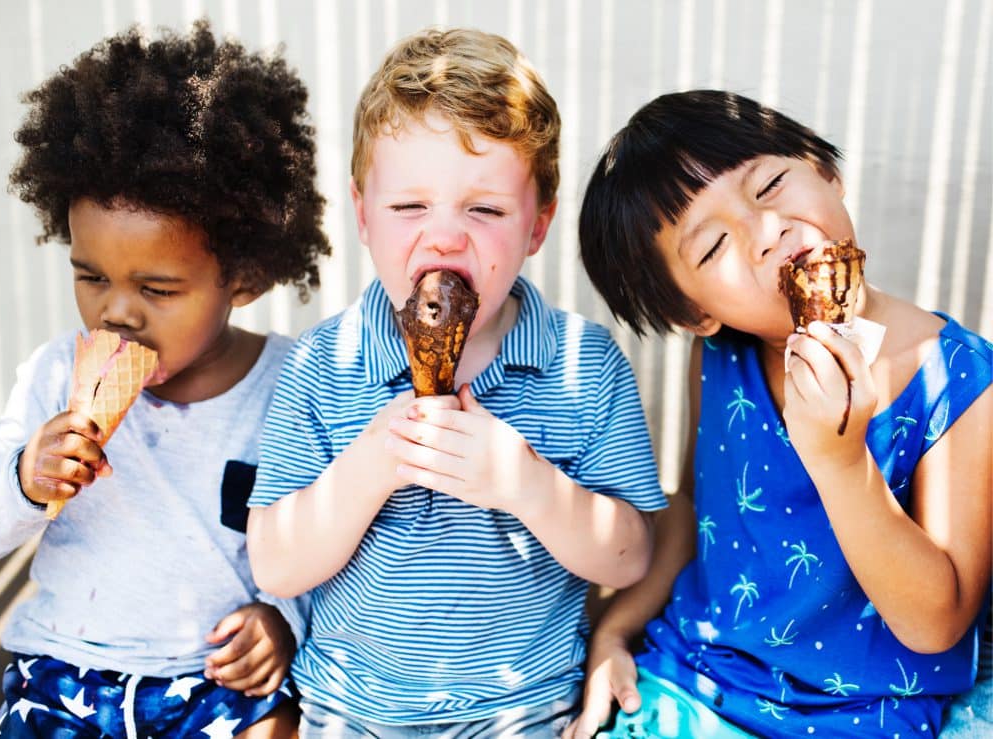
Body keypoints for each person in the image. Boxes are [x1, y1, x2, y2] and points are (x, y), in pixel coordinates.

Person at [246, 27, 671, 736]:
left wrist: (530, 484)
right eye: (409, 207)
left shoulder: (585, 366)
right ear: (361, 214)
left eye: (486, 209)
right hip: (350, 716)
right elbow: (274, 563)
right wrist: (374, 462)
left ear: (538, 224)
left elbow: (630, 555)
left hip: (527, 716)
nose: (444, 236)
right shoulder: (322, 364)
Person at [566, 89, 993, 738]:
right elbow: (693, 514)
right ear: (694, 313)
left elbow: (938, 620)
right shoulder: (720, 355)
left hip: (870, 712)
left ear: (827, 172)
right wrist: (615, 631)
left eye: (769, 184)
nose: (767, 232)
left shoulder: (957, 380)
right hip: (698, 678)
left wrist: (842, 461)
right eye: (712, 249)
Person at [0, 20, 330, 738]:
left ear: (246, 277)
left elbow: (330, 540)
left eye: (158, 288)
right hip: (63, 668)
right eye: (90, 275)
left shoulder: (295, 386)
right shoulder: (51, 374)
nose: (116, 310)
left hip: (216, 681)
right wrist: (23, 477)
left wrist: (283, 620)